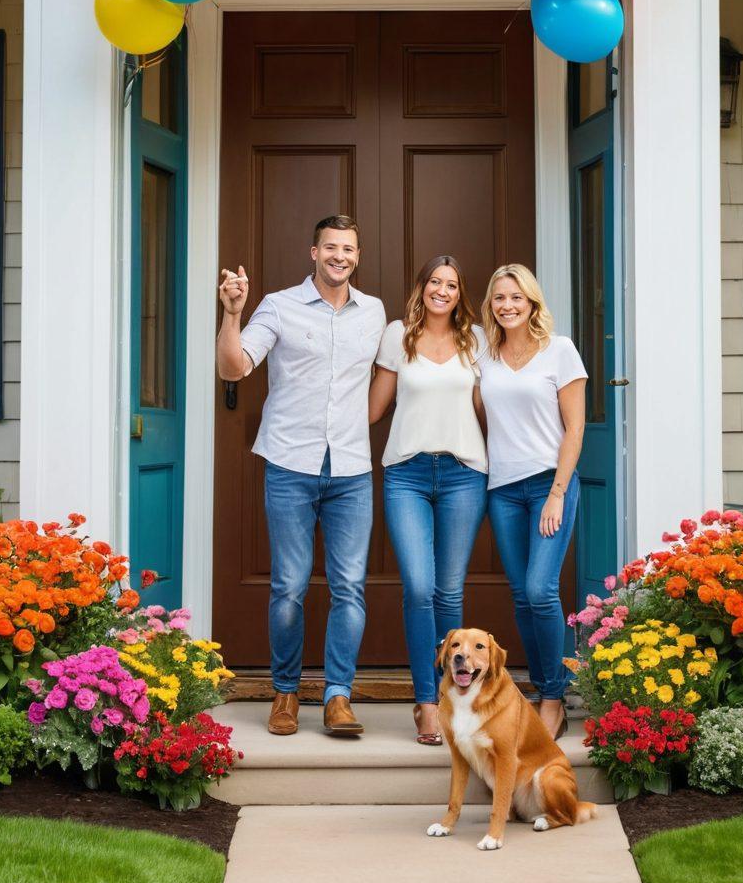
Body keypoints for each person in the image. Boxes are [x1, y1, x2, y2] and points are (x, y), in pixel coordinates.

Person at [216, 216, 386, 738]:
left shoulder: (375, 312)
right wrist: (232, 314)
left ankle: (338, 696)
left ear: (357, 256)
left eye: (349, 248)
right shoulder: (279, 306)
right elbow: (233, 367)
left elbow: (395, 372)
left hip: (352, 469)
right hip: (290, 464)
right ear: (313, 252)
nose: (340, 256)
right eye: (331, 247)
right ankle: (285, 692)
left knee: (349, 588)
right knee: (288, 586)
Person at [369, 256, 487, 746]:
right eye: (435, 282)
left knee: (450, 592)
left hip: (464, 473)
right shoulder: (398, 334)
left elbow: (487, 409)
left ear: (461, 293)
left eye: (452, 285)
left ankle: (455, 700)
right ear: (421, 287)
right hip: (407, 474)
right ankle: (425, 704)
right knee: (418, 587)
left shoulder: (476, 340)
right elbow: (374, 408)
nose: (442, 290)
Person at [477, 264, 586, 740]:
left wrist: (557, 493)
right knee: (522, 594)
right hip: (503, 489)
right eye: (500, 298)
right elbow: (481, 416)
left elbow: (575, 428)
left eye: (517, 297)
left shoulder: (559, 351)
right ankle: (545, 686)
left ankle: (553, 695)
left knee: (541, 589)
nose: (508, 305)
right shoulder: (485, 355)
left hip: (549, 484)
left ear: (532, 302)